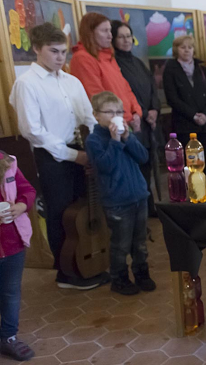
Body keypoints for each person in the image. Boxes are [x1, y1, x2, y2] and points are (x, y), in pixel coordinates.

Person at [9, 23, 105, 290]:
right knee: (61, 213)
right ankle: (67, 274)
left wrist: (95, 150)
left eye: (63, 51)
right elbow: (32, 131)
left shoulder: (71, 81)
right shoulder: (27, 84)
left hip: (82, 150)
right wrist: (73, 155)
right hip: (53, 156)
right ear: (37, 49)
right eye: (54, 51)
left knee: (82, 210)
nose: (60, 57)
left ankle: (88, 263)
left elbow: (89, 116)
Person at [85, 91, 156, 296]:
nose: (115, 115)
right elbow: (105, 166)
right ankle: (119, 279)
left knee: (140, 242)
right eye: (109, 112)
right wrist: (115, 141)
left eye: (119, 111)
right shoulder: (94, 140)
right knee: (120, 244)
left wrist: (126, 137)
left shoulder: (127, 134)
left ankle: (142, 273)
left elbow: (143, 157)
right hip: (117, 202)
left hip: (139, 196)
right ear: (96, 115)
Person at [110, 20, 160, 217]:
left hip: (148, 121)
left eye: (128, 36)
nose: (126, 40)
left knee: (147, 163)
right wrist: (143, 111)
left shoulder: (138, 62)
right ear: (113, 40)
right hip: (135, 120)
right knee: (136, 166)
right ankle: (141, 208)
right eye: (121, 37)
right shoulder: (115, 64)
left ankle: (149, 203)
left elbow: (151, 87)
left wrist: (155, 109)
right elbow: (127, 94)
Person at [70, 12, 142, 130]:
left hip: (125, 121)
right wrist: (122, 118)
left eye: (110, 30)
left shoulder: (108, 56)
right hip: (111, 125)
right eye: (104, 31)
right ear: (90, 33)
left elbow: (126, 88)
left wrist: (136, 113)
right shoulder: (82, 58)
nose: (110, 36)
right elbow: (97, 97)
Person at [162, 35, 206, 178]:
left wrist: (205, 115)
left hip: (205, 125)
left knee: (205, 164)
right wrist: (193, 115)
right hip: (185, 124)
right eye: (183, 47)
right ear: (176, 49)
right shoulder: (170, 69)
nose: (187, 50)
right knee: (190, 166)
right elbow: (172, 98)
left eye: (190, 47)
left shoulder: (202, 70)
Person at [0, 150, 36, 361]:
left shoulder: (8, 162)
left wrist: (21, 206)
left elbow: (27, 190)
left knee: (11, 293)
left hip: (13, 244)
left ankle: (8, 336)